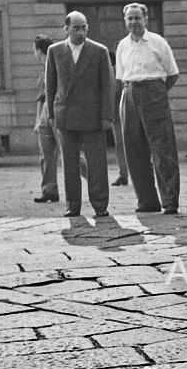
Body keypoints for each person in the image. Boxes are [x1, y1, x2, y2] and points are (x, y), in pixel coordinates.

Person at [45, 11, 115, 218]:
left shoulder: (99, 51)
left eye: (84, 27)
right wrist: (51, 113)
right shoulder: (55, 51)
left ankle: (100, 205)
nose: (81, 31)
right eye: (76, 28)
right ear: (66, 29)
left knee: (97, 164)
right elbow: (51, 85)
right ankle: (72, 205)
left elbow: (108, 86)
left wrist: (107, 115)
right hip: (65, 115)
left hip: (93, 115)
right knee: (70, 164)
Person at [115, 2, 181, 214]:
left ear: (145, 19)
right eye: (130, 18)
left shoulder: (157, 42)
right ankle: (147, 200)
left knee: (162, 148)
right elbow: (120, 77)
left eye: (137, 18)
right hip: (129, 93)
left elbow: (172, 74)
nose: (134, 22)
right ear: (125, 21)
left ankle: (170, 200)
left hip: (154, 93)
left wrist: (156, 93)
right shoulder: (122, 45)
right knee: (134, 149)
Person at [32, 34, 60, 203]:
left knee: (71, 153)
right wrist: (38, 120)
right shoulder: (43, 70)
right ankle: (49, 190)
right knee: (46, 154)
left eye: (34, 50)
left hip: (56, 110)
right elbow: (40, 97)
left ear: (39, 50)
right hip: (44, 113)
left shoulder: (55, 66)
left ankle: (95, 180)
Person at [108, 50, 129, 187]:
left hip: (118, 116)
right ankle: (124, 174)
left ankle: (123, 175)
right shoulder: (119, 72)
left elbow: (115, 94)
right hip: (121, 115)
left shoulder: (113, 74)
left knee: (122, 147)